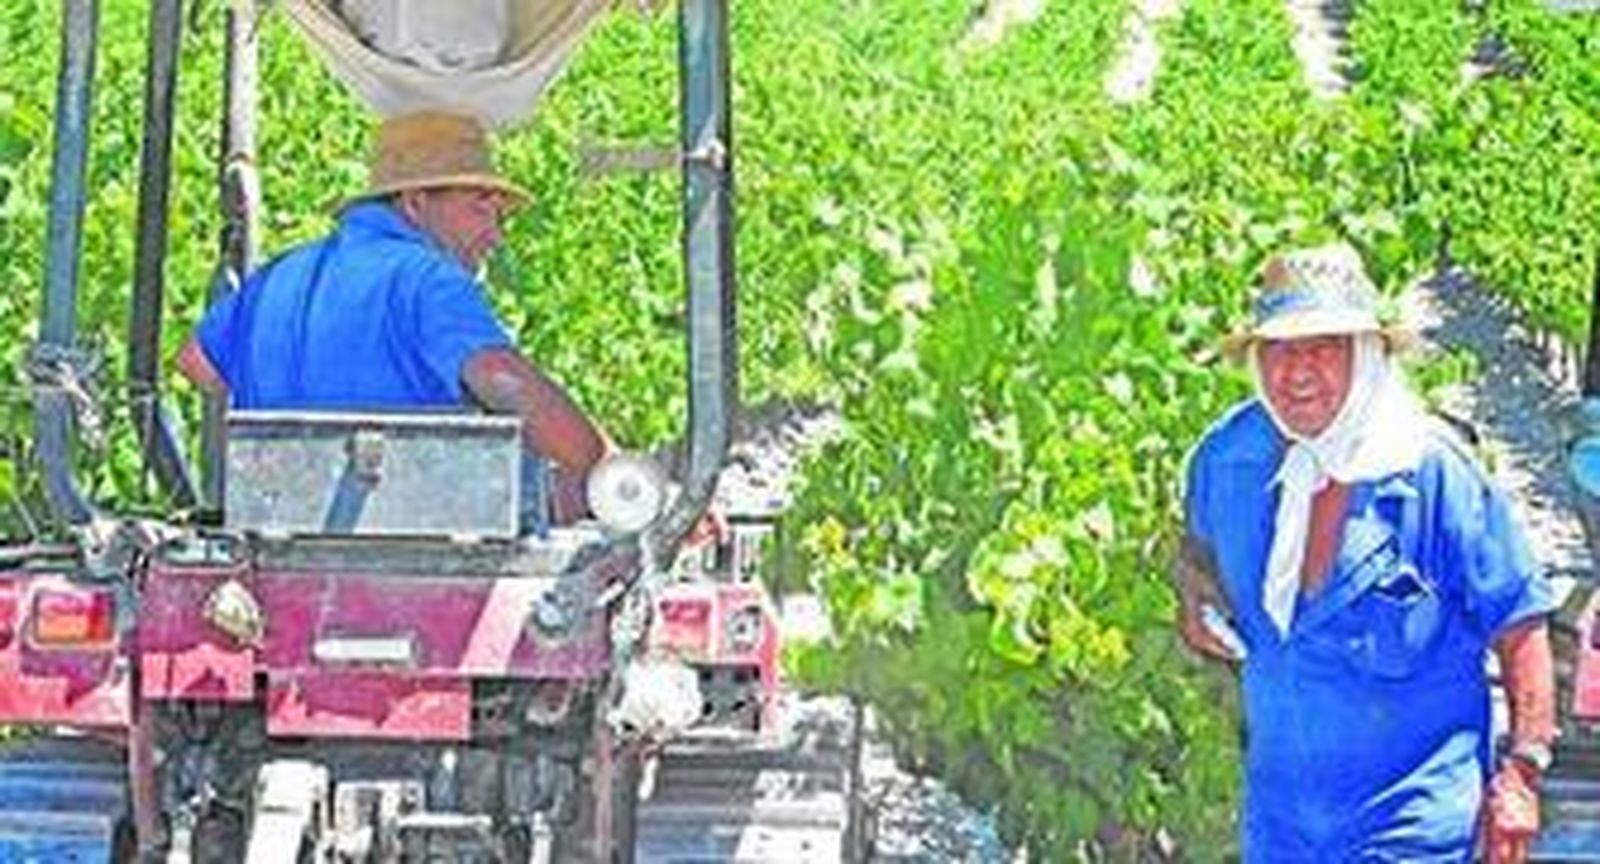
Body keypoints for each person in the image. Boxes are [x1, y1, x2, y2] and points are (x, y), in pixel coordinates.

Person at [1173, 243, 1557, 862]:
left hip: (1410, 815)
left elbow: (1519, 622)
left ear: (1367, 354)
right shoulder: (1227, 460)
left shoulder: (1432, 472)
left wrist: (1522, 774)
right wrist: (1194, 598)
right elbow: (1193, 550)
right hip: (1282, 819)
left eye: (1322, 346)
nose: (1296, 371)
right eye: (1278, 349)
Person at [177, 110, 606, 522]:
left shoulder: (277, 275)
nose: (494, 236)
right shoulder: (427, 277)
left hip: (270, 545)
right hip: (413, 558)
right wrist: (598, 463)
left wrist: (292, 397)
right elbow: (500, 376)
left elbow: (195, 360)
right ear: (416, 202)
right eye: (481, 208)